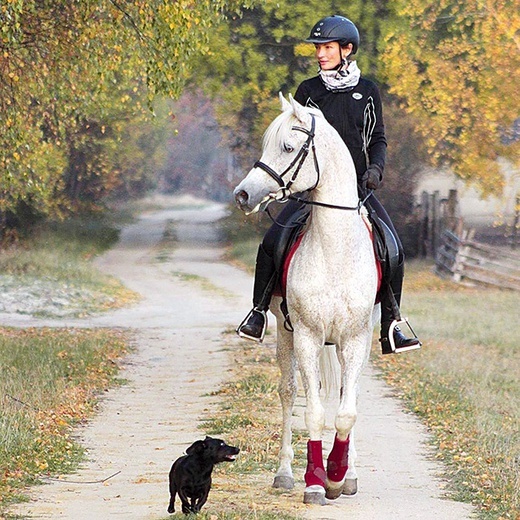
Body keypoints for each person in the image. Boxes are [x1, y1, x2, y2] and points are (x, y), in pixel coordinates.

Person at [237, 15, 421, 354]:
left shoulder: (367, 91)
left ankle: (392, 323)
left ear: (347, 49)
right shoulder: (308, 91)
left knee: (391, 247)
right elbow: (296, 138)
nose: (320, 54)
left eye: (327, 48)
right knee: (273, 241)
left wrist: (376, 170)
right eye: (318, 48)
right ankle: (259, 311)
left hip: (359, 188)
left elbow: (377, 138)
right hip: (311, 190)